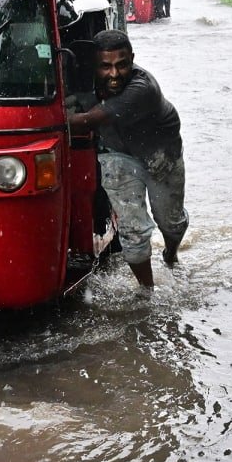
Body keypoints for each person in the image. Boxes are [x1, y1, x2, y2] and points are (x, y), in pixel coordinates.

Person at [68, 29, 187, 287]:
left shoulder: (142, 88)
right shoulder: (82, 81)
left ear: (132, 59)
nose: (114, 74)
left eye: (122, 65)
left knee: (170, 221)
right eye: (106, 66)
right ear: (94, 65)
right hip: (117, 153)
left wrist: (44, 119)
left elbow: (88, 120)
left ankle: (171, 253)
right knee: (133, 230)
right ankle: (146, 291)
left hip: (160, 153)